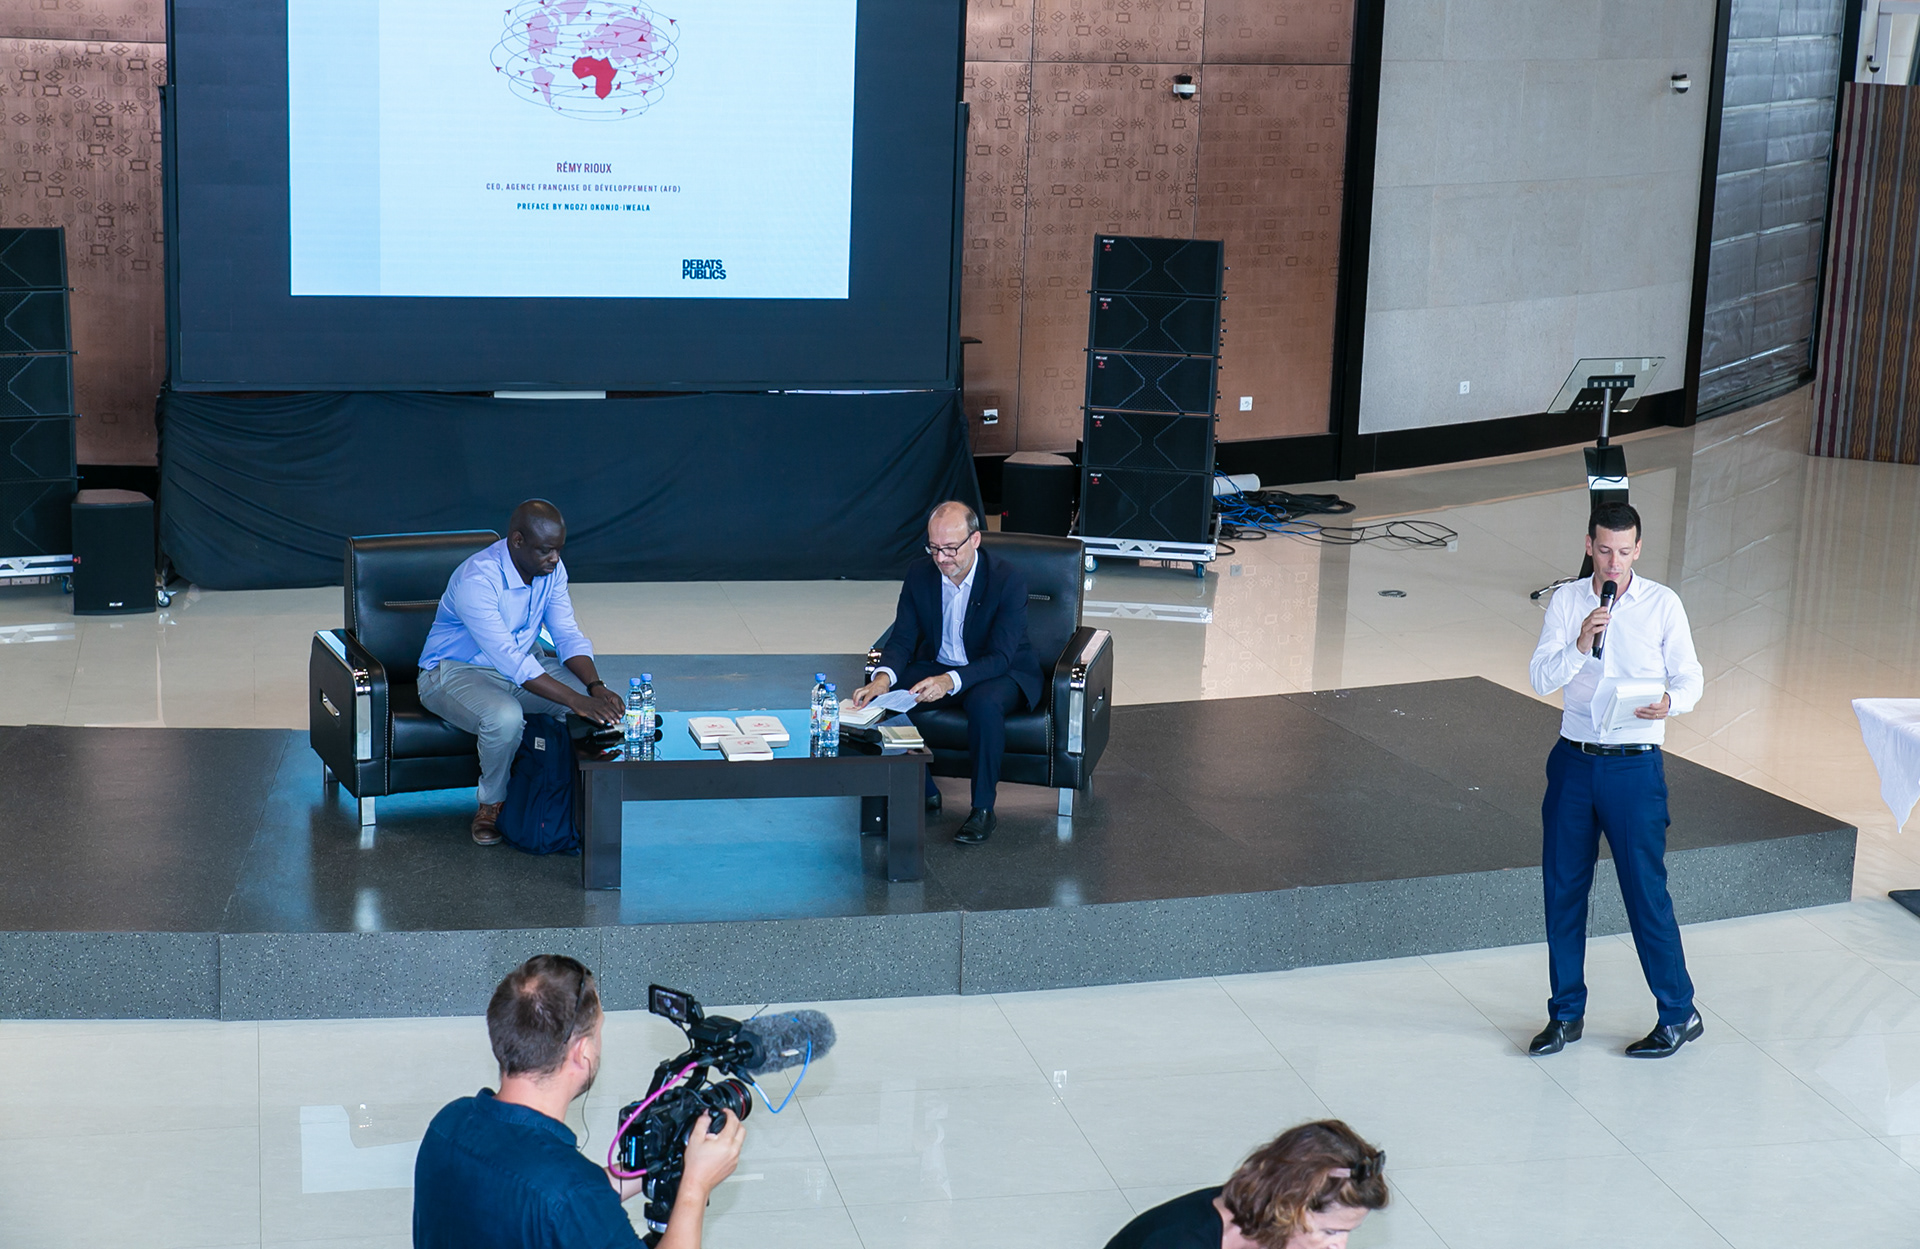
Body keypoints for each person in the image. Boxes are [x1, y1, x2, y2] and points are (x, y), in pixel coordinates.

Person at [1527, 500, 1706, 1059]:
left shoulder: (1662, 604)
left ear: (1638, 550)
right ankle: (1565, 1015)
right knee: (1563, 890)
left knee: (1645, 892)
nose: (1613, 562)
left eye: (1624, 552)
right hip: (1575, 762)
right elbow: (1539, 678)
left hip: (1634, 766)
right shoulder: (1567, 602)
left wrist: (1670, 702)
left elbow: (1691, 677)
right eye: (1604, 550)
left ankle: (1678, 1013)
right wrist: (1580, 644)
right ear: (1588, 546)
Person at [413, 955, 744, 1249]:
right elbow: (567, 1201)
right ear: (582, 1053)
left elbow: (536, 1200)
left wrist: (651, 1167)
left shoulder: (447, 1124)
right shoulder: (571, 1193)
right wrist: (695, 1186)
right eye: (598, 1032)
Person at [417, 500, 625, 845]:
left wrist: (595, 687)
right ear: (517, 541)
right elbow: (510, 659)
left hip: (523, 665)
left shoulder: (551, 570)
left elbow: (566, 634)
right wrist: (576, 700)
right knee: (505, 717)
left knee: (589, 706)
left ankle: (573, 800)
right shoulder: (477, 580)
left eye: (558, 550)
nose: (555, 559)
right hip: (454, 671)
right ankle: (492, 804)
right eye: (546, 550)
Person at [850, 501, 1042, 845]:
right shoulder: (919, 574)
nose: (941, 558)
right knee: (881, 703)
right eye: (934, 548)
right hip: (940, 663)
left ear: (975, 540)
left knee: (984, 704)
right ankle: (923, 790)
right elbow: (902, 638)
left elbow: (1000, 656)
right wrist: (882, 679)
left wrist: (948, 681)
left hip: (1000, 671)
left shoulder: (1006, 579)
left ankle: (983, 809)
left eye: (951, 548)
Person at [1103, 1119, 1386, 1249]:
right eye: (1330, 1231)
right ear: (1287, 1209)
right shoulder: (1179, 1241)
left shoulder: (1265, 1226)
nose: (1339, 1246)